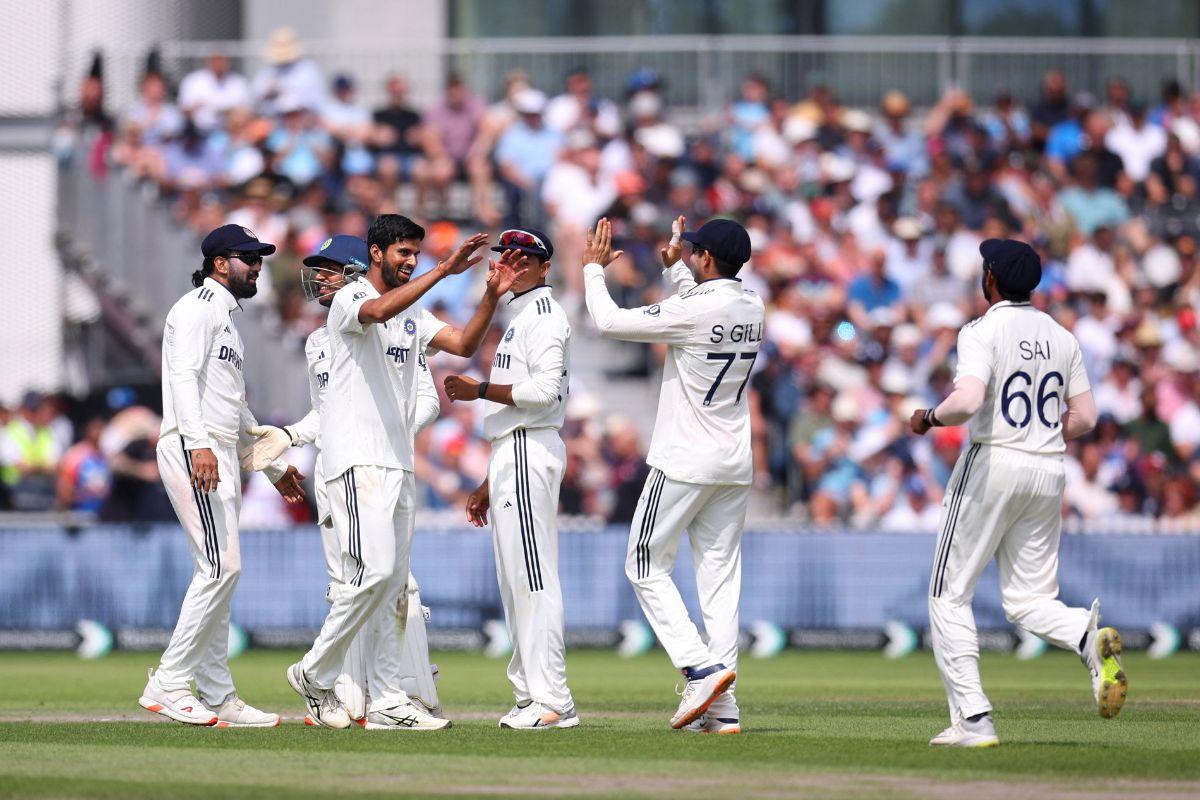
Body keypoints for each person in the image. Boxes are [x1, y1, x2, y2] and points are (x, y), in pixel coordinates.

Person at [286, 215, 521, 730]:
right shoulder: (350, 297)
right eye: (402, 254)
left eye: (416, 254)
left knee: (393, 587)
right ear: (375, 254)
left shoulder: (412, 313)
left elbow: (461, 344)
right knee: (370, 574)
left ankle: (388, 696)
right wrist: (442, 273)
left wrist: (489, 296)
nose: (410, 261)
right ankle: (315, 671)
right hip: (355, 460)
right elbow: (375, 309)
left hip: (397, 463)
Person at [910, 239, 1127, 748]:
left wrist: (929, 418)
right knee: (1030, 598)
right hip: (1049, 466)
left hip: (994, 462)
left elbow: (967, 401)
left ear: (990, 278)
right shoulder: (1061, 334)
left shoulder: (982, 330)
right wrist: (1040, 435)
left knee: (948, 593)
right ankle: (1083, 635)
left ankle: (974, 720)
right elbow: (1088, 417)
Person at [242, 235, 445, 724]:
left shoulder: (399, 322)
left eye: (332, 269)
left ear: (358, 271)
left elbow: (429, 400)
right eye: (320, 269)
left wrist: (388, 426)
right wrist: (289, 437)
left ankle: (380, 694)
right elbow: (326, 413)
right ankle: (347, 693)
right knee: (349, 584)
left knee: (384, 585)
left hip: (382, 464)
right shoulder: (317, 341)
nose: (322, 278)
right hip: (339, 473)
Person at [582, 216, 764, 734]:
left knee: (643, 564)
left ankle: (700, 668)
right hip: (733, 461)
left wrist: (594, 271)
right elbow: (701, 312)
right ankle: (725, 708)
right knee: (720, 580)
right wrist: (677, 272)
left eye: (694, 253)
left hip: (685, 457)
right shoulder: (753, 304)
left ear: (704, 257)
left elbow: (611, 323)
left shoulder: (695, 307)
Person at [139, 224, 306, 728]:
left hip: (218, 453)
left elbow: (235, 409)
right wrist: (199, 446)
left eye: (258, 258)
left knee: (221, 574)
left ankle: (216, 693)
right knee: (220, 568)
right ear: (219, 264)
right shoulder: (194, 308)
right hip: (196, 452)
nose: (256, 266)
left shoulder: (229, 322)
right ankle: (167, 684)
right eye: (247, 258)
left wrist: (272, 466)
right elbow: (184, 379)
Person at [443, 227, 579, 730]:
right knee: (514, 580)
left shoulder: (543, 315)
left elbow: (543, 395)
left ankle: (551, 700)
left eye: (526, 259)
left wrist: (478, 388)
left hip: (528, 445)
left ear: (545, 267)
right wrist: (486, 483)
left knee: (533, 577)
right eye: (507, 257)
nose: (513, 265)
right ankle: (531, 694)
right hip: (511, 450)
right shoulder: (519, 315)